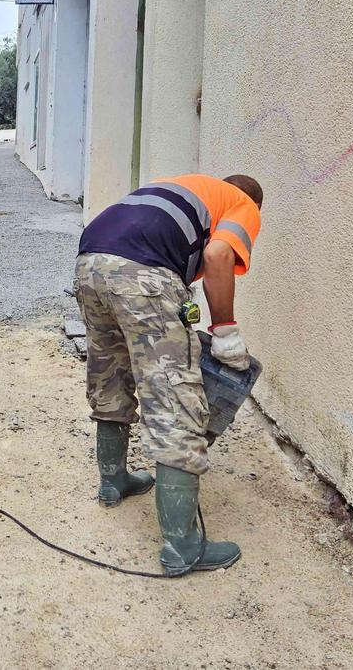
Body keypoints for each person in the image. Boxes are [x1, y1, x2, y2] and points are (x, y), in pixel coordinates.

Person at [74, 173, 263, 575]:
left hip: (89, 262)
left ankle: (113, 481)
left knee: (110, 374)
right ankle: (182, 546)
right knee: (175, 398)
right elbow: (217, 257)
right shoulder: (241, 203)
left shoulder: (186, 188)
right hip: (142, 273)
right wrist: (225, 331)